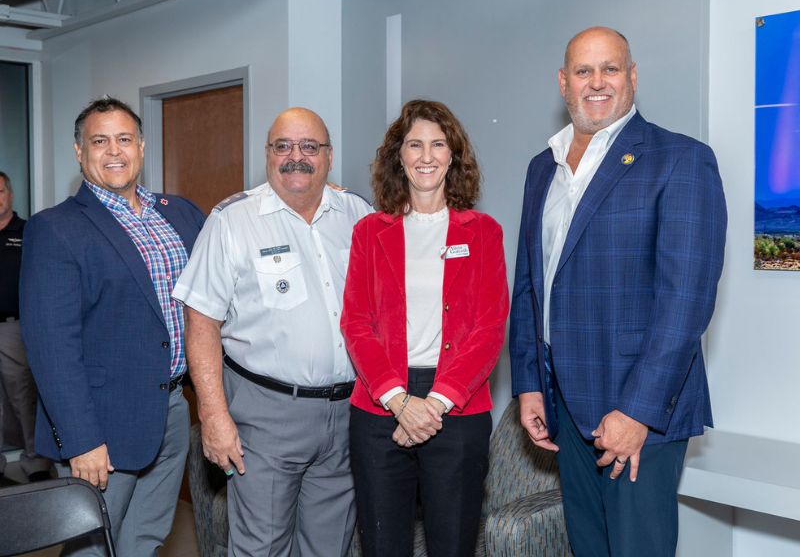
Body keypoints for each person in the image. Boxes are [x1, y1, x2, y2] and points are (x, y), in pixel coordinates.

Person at [509, 27, 727, 556]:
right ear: (564, 83)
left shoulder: (680, 160)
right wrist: (529, 383)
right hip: (564, 404)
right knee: (589, 548)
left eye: (610, 68)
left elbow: (686, 303)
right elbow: (529, 286)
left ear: (632, 77)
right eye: (584, 71)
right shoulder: (544, 168)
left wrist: (639, 413)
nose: (597, 82)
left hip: (637, 410)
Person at [173, 106, 371, 556]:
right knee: (261, 547)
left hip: (347, 412)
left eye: (309, 147)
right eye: (283, 146)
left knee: (330, 545)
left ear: (328, 155)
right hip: (265, 416)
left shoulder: (357, 213)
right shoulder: (232, 221)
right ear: (267, 154)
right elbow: (201, 322)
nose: (295, 156)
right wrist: (213, 415)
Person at [19, 96, 205, 556]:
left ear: (141, 146)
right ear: (79, 151)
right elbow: (51, 347)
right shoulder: (55, 228)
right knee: (91, 544)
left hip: (173, 410)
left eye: (124, 139)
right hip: (101, 421)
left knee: (146, 537)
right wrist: (82, 440)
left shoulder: (179, 214)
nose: (114, 151)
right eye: (99, 141)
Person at [341, 99, 509, 557]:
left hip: (457, 403)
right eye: (415, 144)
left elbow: (490, 328)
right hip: (380, 406)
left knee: (453, 544)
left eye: (438, 144)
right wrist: (399, 401)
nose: (426, 155)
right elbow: (356, 323)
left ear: (454, 155)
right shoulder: (369, 232)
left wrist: (431, 406)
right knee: (382, 544)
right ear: (399, 156)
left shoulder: (483, 232)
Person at [0, 171, 52, 485]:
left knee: (23, 396)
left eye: (0, 190)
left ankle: (35, 462)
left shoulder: (28, 231)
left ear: (10, 194)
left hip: (15, 327)